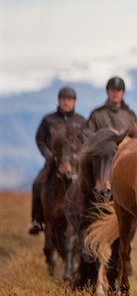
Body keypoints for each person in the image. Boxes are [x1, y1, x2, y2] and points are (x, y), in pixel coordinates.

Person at [29, 86, 87, 235]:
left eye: (69, 99)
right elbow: (40, 139)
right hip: (53, 164)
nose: (66, 102)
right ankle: (37, 219)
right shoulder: (48, 120)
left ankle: (88, 219)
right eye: (63, 99)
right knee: (37, 183)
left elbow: (87, 142)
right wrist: (48, 155)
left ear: (74, 101)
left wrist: (78, 157)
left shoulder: (81, 121)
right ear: (59, 101)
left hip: (74, 166)